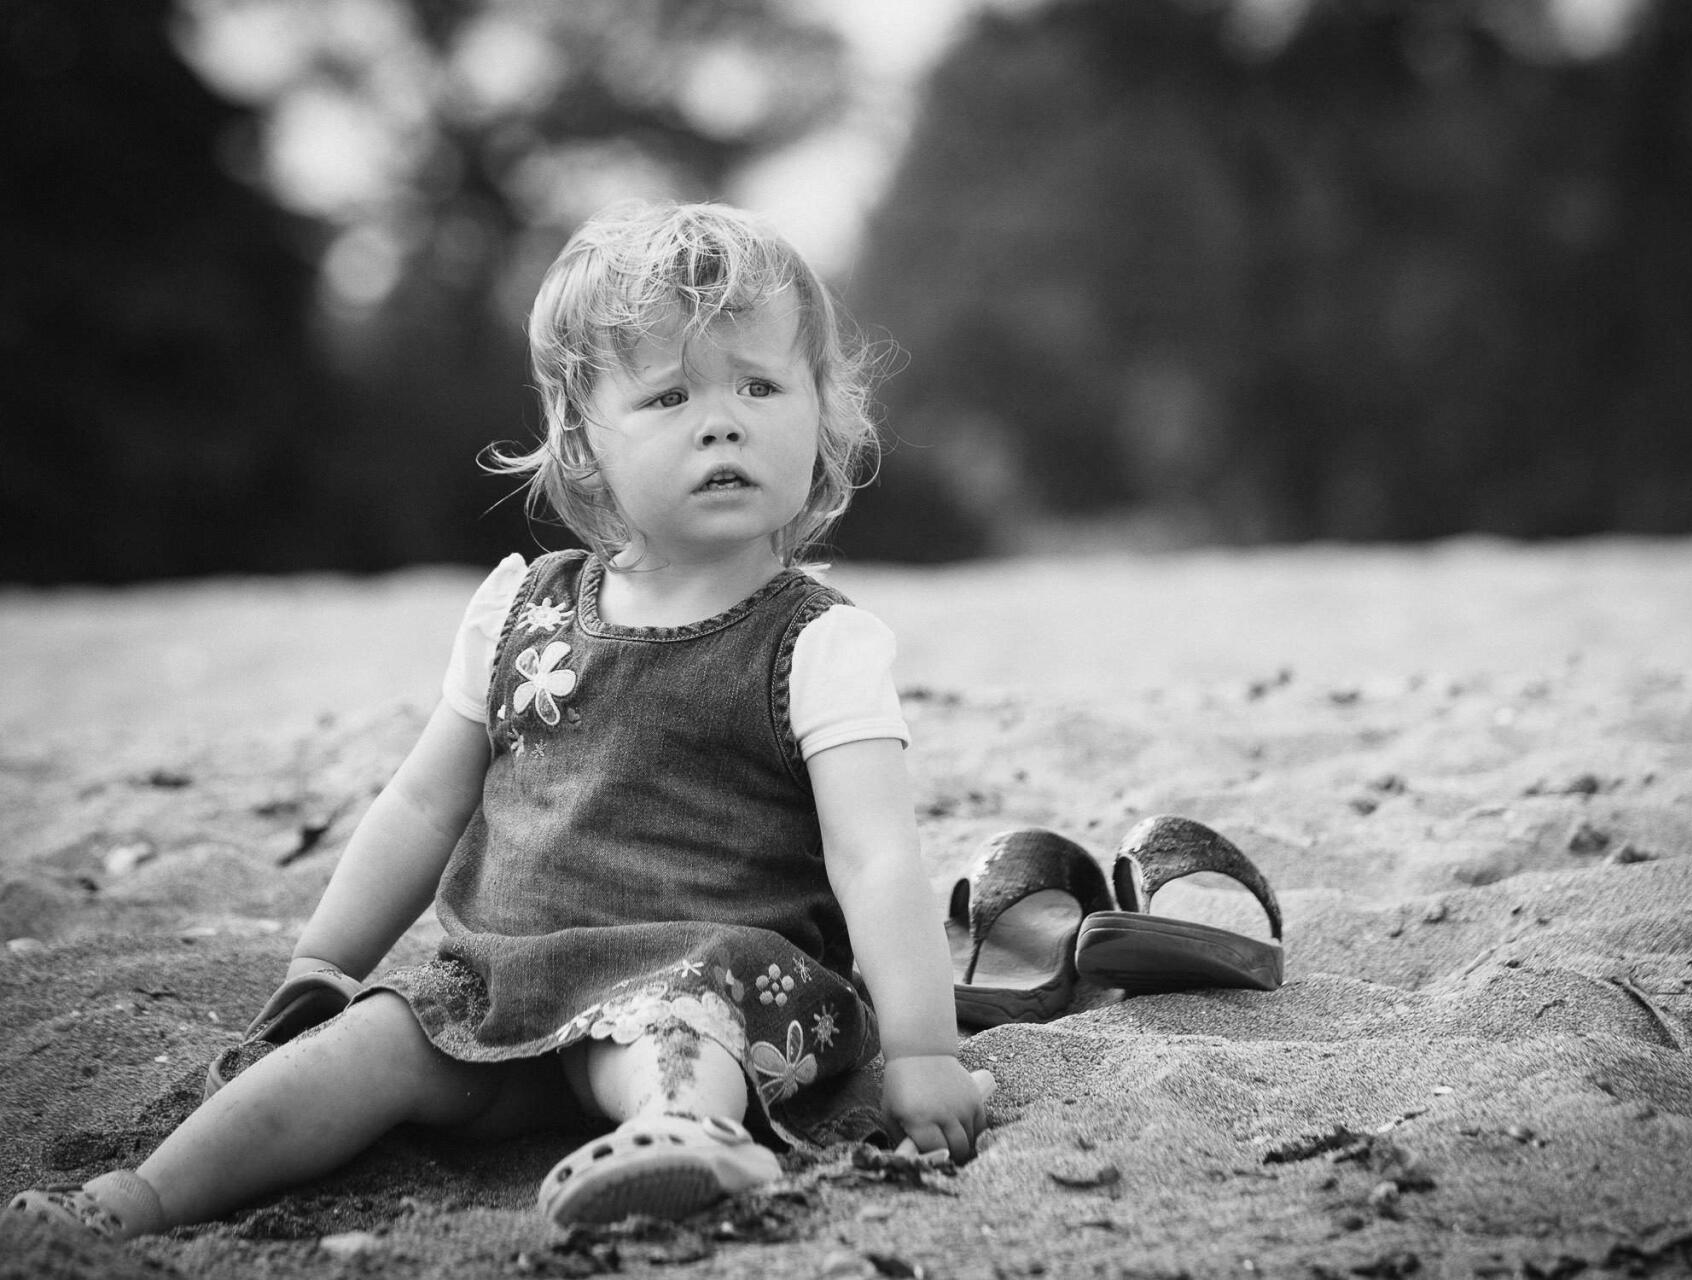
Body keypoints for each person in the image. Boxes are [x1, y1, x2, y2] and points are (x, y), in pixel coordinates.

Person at [8, 200, 989, 1240]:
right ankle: (140, 1198)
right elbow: (425, 801)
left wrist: (923, 1049)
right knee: (359, 1046)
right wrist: (326, 960)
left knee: (678, 1026)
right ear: (584, 437)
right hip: (500, 990)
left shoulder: (818, 643)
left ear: (821, 410)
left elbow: (876, 852)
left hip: (710, 974)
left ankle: (684, 1134)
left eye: (760, 382)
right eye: (668, 394)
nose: (723, 418)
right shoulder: (522, 609)